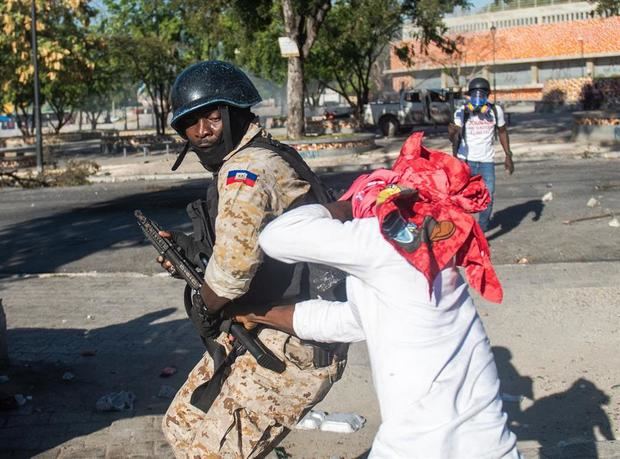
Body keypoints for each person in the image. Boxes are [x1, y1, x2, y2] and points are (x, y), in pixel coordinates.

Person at [236, 133, 521, 458]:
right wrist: (258, 313)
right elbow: (349, 320)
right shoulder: (432, 253)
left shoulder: (381, 241)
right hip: (490, 446)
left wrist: (345, 206)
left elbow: (277, 237)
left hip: (416, 448)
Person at [158, 60, 347, 458]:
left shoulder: (245, 169)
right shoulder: (263, 155)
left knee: (206, 454)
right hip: (260, 324)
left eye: (212, 117)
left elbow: (230, 277)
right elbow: (251, 246)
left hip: (295, 342)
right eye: (191, 123)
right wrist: (189, 252)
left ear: (237, 112)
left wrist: (206, 309)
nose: (202, 131)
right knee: (179, 426)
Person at [448, 77, 514, 232]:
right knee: (463, 198)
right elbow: (454, 138)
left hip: (486, 161)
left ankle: (481, 230)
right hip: (466, 161)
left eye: (482, 94)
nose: (478, 98)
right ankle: (465, 230)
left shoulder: (495, 111)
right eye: (474, 94)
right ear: (469, 96)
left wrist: (508, 155)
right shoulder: (461, 113)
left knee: (488, 198)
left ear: (488, 95)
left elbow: (503, 132)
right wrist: (451, 132)